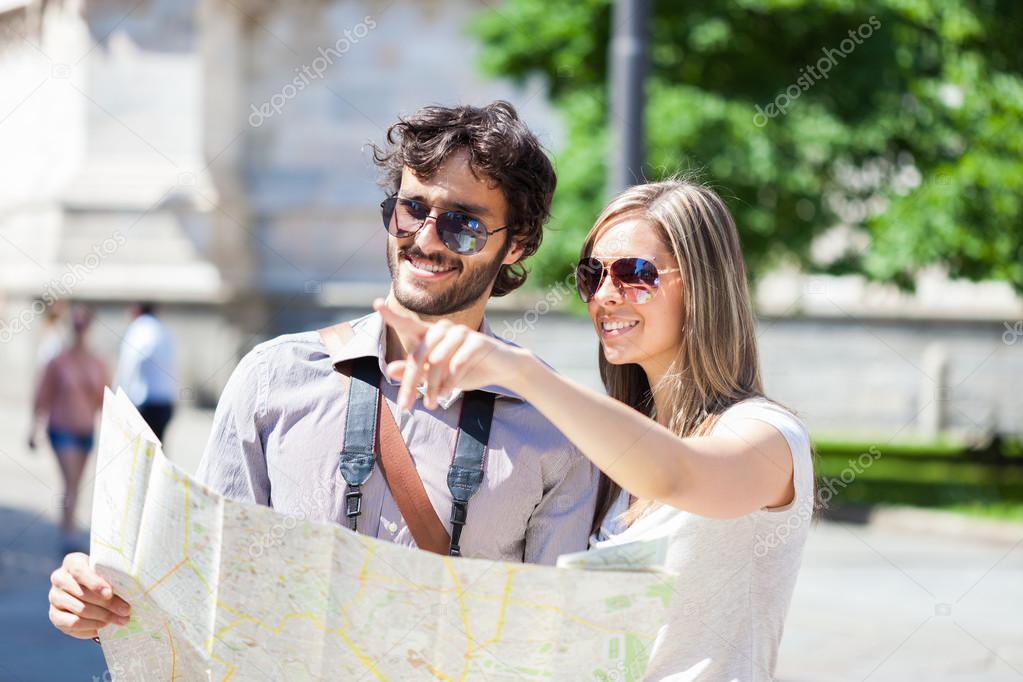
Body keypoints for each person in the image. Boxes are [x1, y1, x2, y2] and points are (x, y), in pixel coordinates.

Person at [47, 101, 598, 641]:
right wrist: (99, 604)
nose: (426, 238)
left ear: (516, 245)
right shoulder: (272, 378)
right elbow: (201, 586)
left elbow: (551, 644)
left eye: (463, 225)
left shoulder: (556, 430)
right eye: (412, 209)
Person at [374, 178, 815, 681]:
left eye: (633, 274)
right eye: (592, 274)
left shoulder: (770, 435)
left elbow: (678, 476)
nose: (604, 296)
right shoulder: (612, 459)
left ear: (702, 284)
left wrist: (519, 371)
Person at [29, 304, 110, 555]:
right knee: (71, 481)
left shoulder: (97, 362)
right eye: (75, 324)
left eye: (83, 324)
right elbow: (43, 394)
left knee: (76, 482)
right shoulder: (58, 361)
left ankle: (68, 525)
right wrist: (33, 428)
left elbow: (104, 398)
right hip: (61, 428)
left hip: (85, 430)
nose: (79, 329)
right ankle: (69, 531)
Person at [114, 302, 177, 441]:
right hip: (164, 402)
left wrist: (120, 397)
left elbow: (129, 364)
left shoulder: (138, 329)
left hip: (144, 402)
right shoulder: (163, 330)